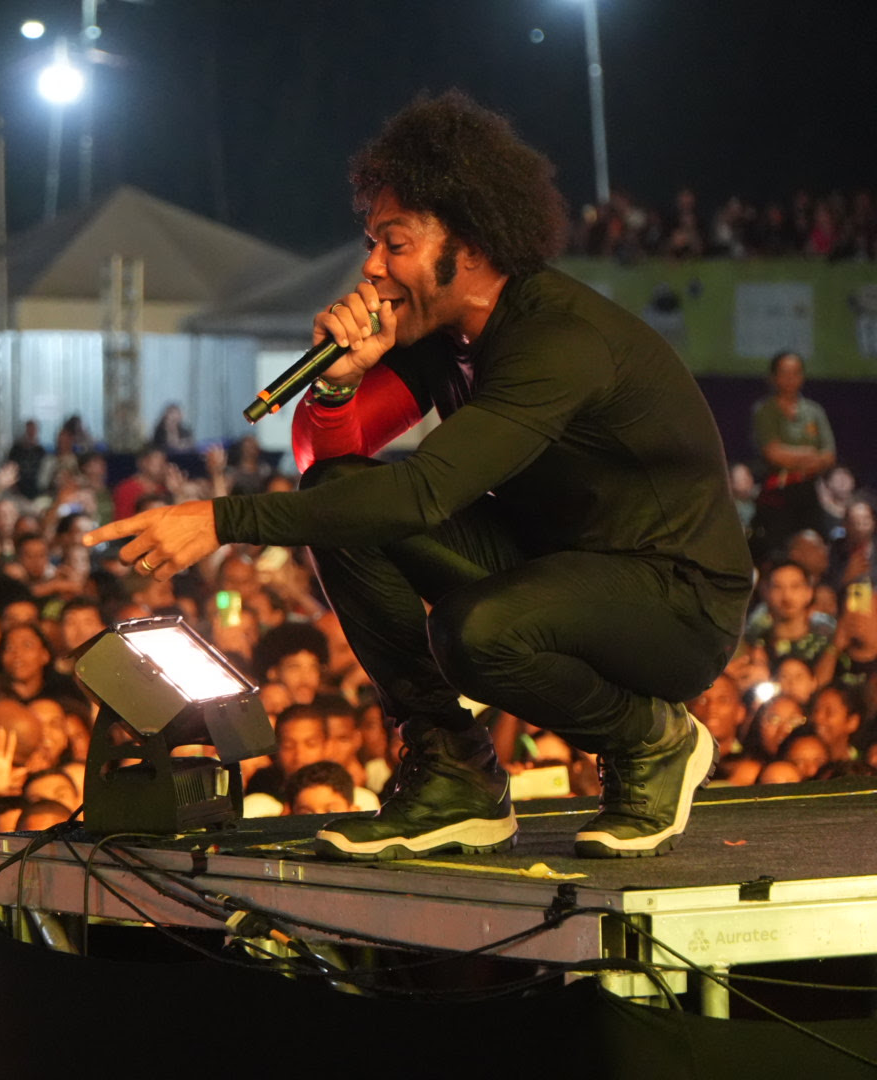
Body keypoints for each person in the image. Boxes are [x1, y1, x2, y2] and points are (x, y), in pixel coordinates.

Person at [84, 91, 751, 861]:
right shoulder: (443, 334)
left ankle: (652, 741)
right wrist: (339, 382)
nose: (371, 265)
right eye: (373, 241)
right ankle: (452, 767)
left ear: (466, 245)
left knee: (476, 632)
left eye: (392, 243)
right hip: (558, 569)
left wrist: (219, 520)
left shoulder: (557, 340)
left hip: (673, 603)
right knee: (338, 500)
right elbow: (324, 465)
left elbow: (425, 492)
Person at [751, 350, 835, 561]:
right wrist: (808, 453)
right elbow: (773, 454)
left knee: (815, 547)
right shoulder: (765, 410)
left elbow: (828, 456)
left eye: (796, 372)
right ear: (772, 377)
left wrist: (795, 458)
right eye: (784, 373)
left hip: (809, 490)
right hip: (778, 491)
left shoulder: (814, 411)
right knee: (776, 552)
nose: (790, 378)